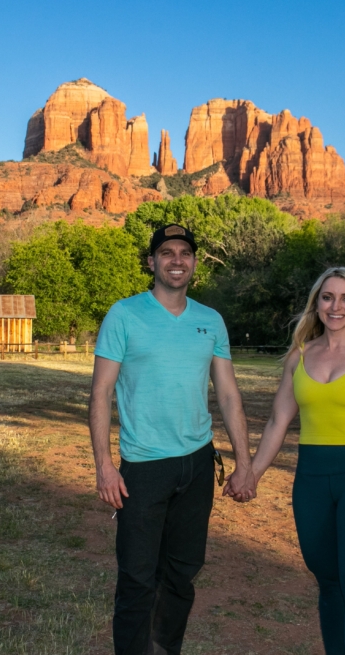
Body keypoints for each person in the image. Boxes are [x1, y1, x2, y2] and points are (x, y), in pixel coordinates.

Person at [88, 223, 257, 655]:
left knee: (182, 573)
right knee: (138, 577)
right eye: (167, 252)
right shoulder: (124, 314)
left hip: (198, 464)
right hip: (143, 467)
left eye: (184, 252)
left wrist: (245, 462)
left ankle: (165, 649)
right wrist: (105, 466)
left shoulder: (210, 319)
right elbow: (101, 392)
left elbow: (229, 393)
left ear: (195, 262)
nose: (176, 259)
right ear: (152, 262)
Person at [249, 267, 345, 655]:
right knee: (327, 579)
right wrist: (250, 474)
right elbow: (277, 421)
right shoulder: (298, 357)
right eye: (328, 297)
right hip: (312, 480)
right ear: (316, 303)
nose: (336, 306)